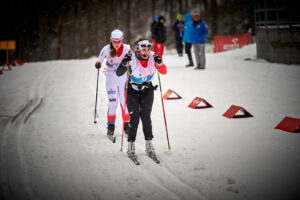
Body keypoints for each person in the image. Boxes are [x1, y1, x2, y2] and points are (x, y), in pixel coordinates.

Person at [116, 39, 167, 159]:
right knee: (134, 118)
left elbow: (163, 71)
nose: (147, 52)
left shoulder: (153, 56)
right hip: (132, 91)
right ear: (138, 49)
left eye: (148, 49)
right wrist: (124, 62)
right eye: (144, 49)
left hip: (147, 90)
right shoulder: (132, 58)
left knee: (146, 117)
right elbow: (119, 73)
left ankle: (149, 144)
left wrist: (159, 63)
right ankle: (131, 145)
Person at [95, 29, 131, 139]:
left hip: (123, 78)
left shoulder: (127, 48)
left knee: (124, 103)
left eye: (118, 41)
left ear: (122, 40)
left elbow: (134, 60)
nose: (116, 44)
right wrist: (98, 64)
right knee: (113, 103)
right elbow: (99, 59)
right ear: (111, 40)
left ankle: (126, 126)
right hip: (110, 79)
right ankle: (111, 127)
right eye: (114, 41)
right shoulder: (106, 49)